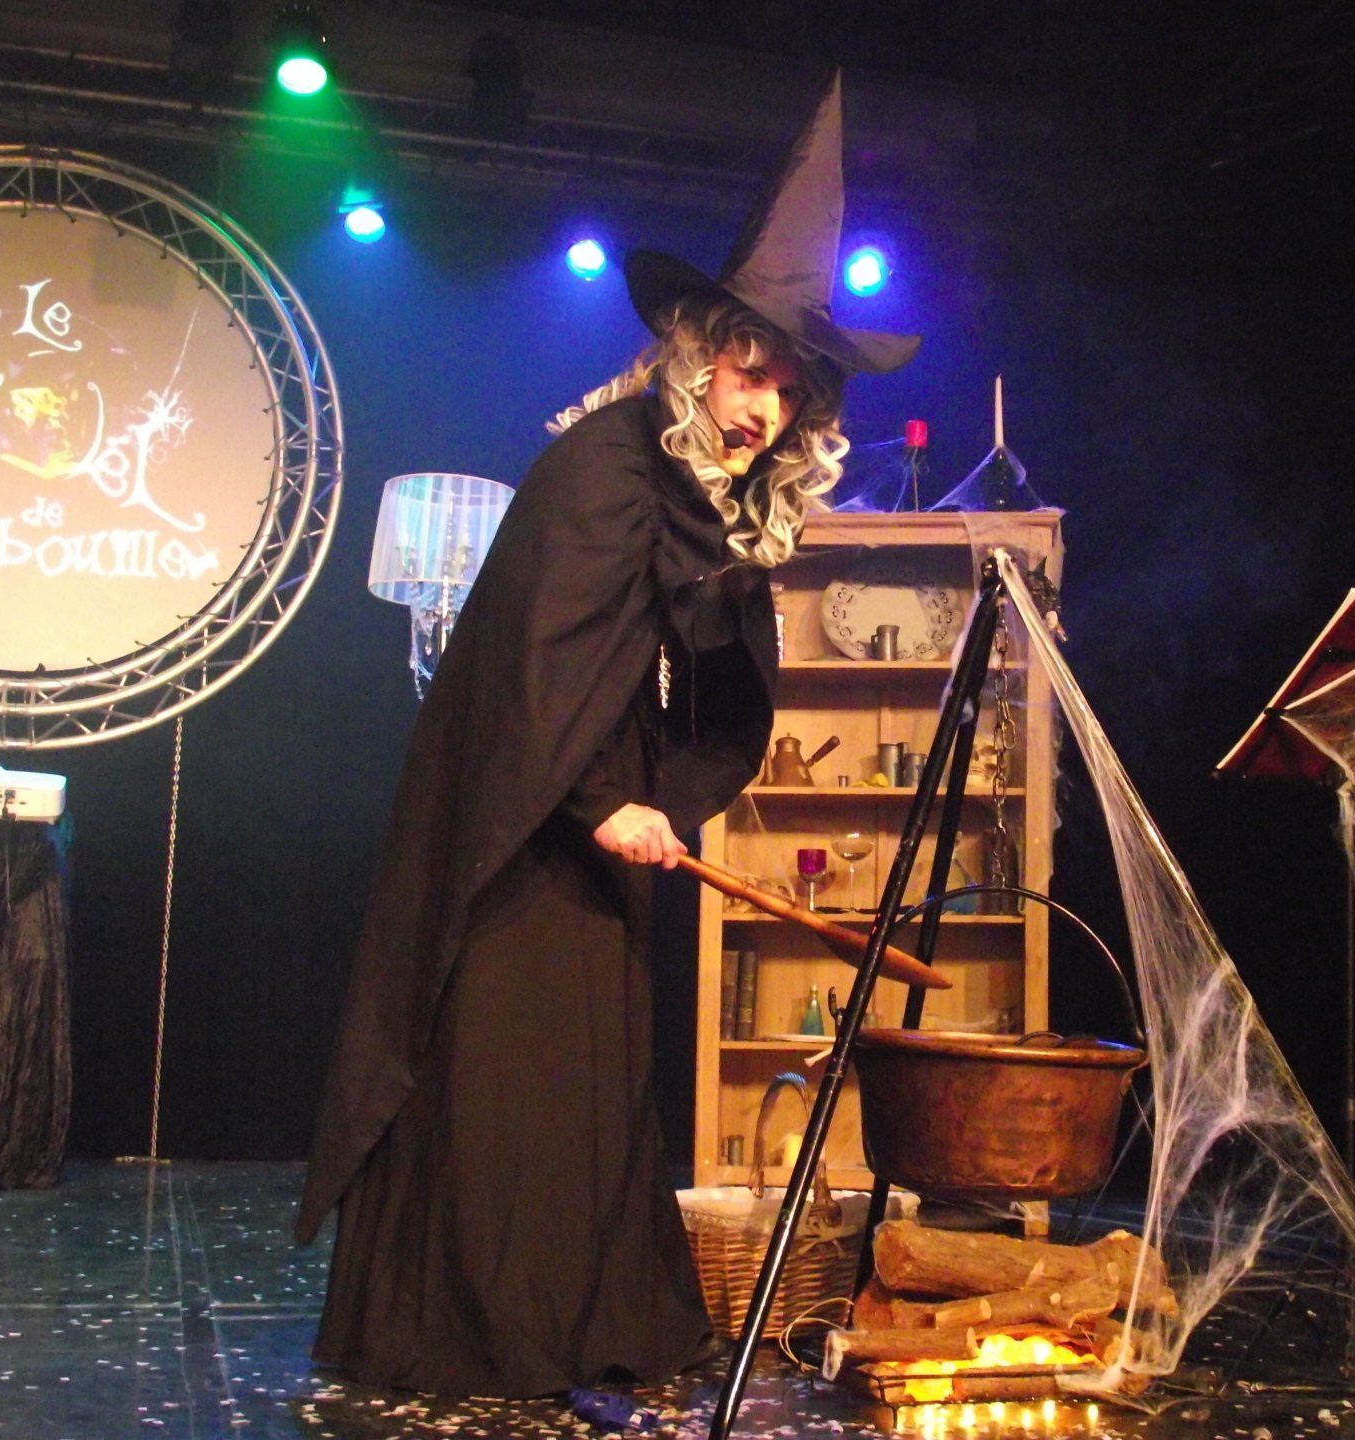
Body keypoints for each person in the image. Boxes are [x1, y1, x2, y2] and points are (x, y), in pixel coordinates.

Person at [296, 74, 918, 1398]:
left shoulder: (692, 494)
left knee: (590, 1084)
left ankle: (577, 1324)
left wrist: (656, 795)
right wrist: (599, 801)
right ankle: (485, 1332)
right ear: (697, 353)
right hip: (520, 833)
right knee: (517, 1080)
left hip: (594, 826)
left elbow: (674, 670)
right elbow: (533, 669)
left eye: (790, 392)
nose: (763, 408)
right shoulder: (608, 467)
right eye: (749, 371)